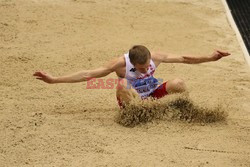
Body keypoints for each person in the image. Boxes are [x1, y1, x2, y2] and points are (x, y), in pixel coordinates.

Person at [33, 45, 230, 108]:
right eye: (141, 69)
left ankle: (185, 110)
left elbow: (185, 59)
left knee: (179, 82)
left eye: (147, 67)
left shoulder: (156, 57)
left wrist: (211, 58)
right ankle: (133, 116)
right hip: (133, 99)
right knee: (121, 85)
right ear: (132, 63)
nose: (145, 71)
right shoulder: (118, 64)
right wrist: (54, 79)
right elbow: (87, 74)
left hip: (152, 93)